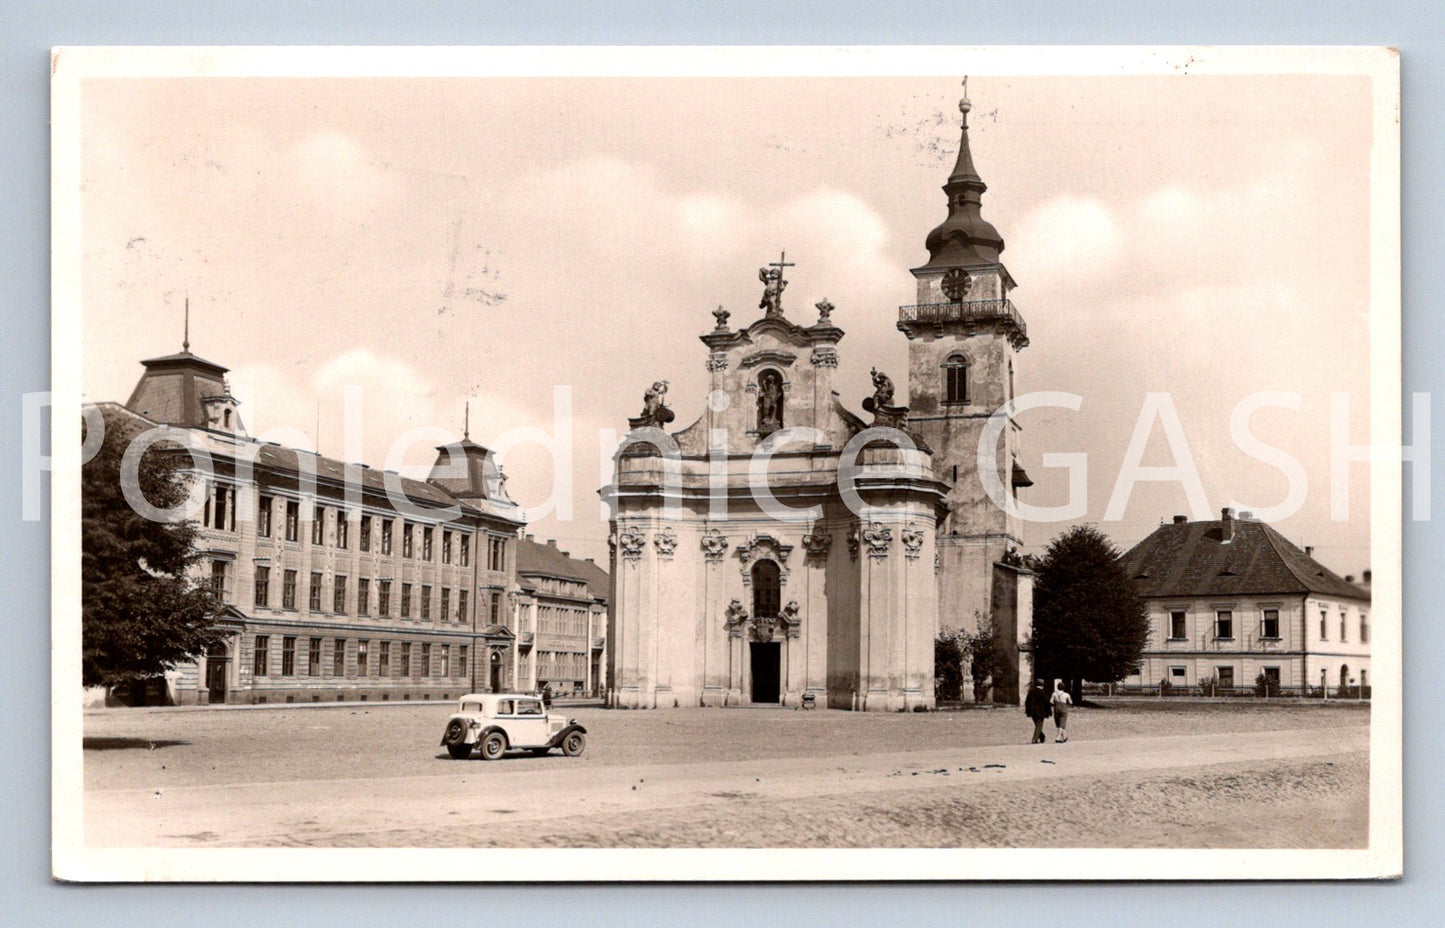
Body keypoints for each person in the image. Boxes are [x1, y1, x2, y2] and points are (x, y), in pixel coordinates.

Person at [1024, 679, 1050, 744]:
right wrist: (1049, 712)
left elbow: (1027, 702)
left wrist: (1027, 711)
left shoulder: (1031, 692)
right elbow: (1046, 703)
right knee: (1039, 725)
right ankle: (1034, 739)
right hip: (1041, 712)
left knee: (1037, 725)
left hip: (1032, 712)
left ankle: (1042, 736)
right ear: (1042, 686)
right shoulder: (1043, 693)